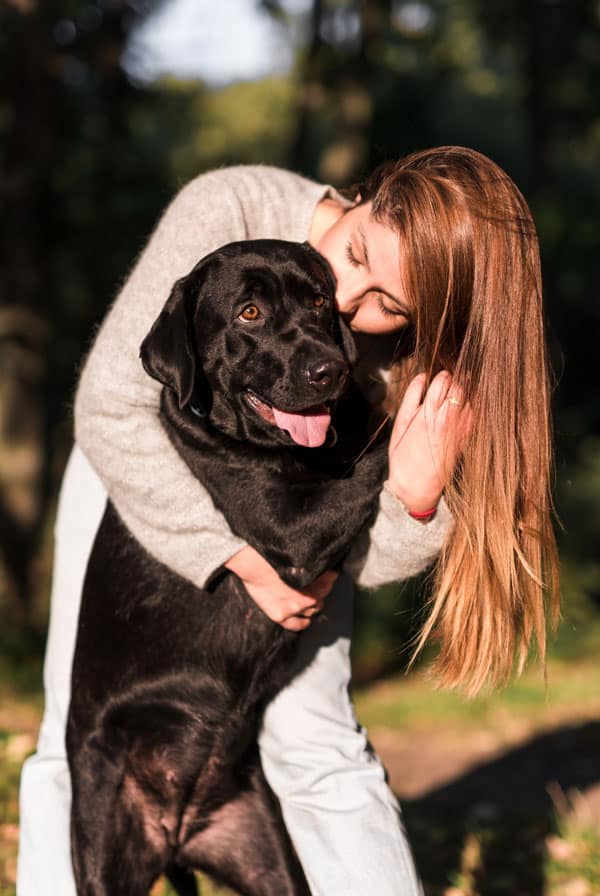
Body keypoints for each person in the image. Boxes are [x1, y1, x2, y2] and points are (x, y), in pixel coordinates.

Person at [17, 146, 558, 895]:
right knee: (71, 735)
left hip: (311, 529)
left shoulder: (417, 366)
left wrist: (420, 496)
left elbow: (371, 560)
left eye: (388, 306)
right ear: (364, 195)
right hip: (131, 455)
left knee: (319, 738)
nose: (341, 300)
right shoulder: (232, 203)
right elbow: (110, 406)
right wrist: (236, 561)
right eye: (357, 254)